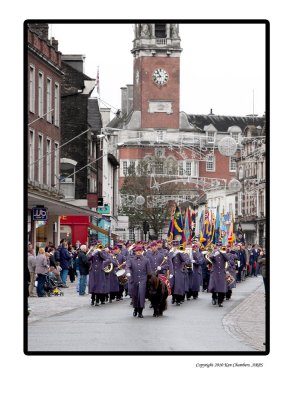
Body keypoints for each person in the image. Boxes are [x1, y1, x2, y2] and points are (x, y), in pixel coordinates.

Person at [125, 245, 152, 318]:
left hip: (143, 280)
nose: (138, 252)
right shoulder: (131, 259)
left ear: (142, 251)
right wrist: (128, 272)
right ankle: (135, 309)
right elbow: (127, 267)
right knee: (135, 295)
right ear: (135, 252)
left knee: (141, 295)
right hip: (134, 279)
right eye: (137, 251)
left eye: (140, 251)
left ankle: (140, 311)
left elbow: (149, 272)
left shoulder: (146, 260)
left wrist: (149, 280)